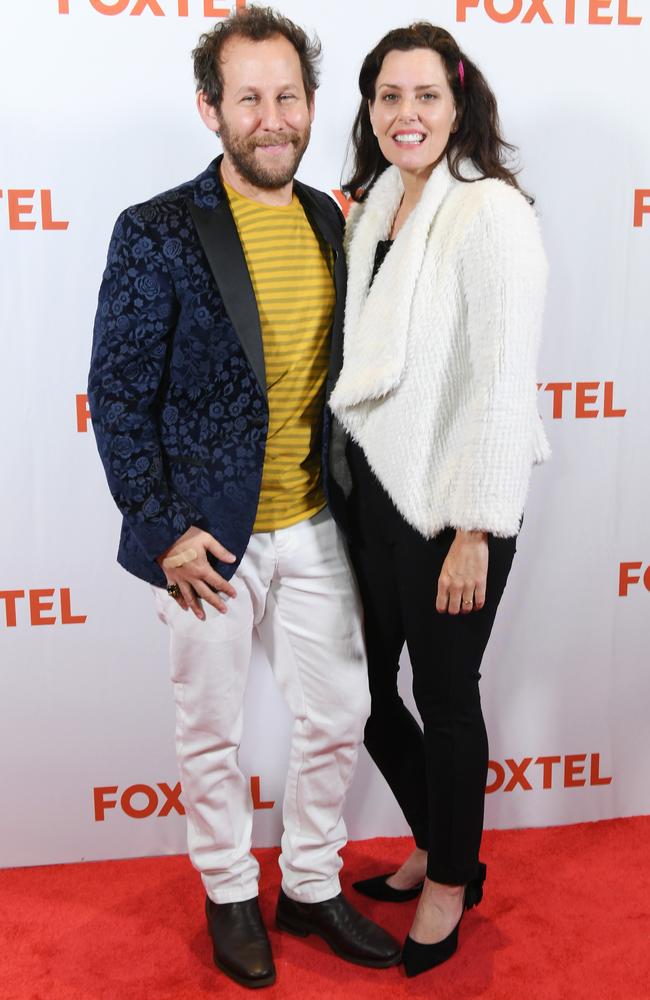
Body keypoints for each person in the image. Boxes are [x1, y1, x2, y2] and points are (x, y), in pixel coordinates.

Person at [88, 6, 400, 990]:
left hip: (314, 523)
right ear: (210, 109)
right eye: (249, 98)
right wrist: (161, 525)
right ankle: (227, 890)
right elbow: (119, 389)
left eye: (288, 96)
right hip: (204, 543)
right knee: (210, 729)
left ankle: (309, 881)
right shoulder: (157, 229)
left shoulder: (329, 219)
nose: (272, 117)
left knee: (337, 712)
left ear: (311, 105)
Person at [328, 22, 550, 978]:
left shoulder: (490, 211)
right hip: (369, 492)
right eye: (388, 96)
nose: (405, 114)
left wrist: (477, 528)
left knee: (445, 698)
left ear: (459, 103)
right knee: (368, 694)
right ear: (370, 109)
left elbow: (504, 381)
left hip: (453, 501)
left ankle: (453, 878)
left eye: (425, 96)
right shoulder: (373, 204)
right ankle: (433, 832)